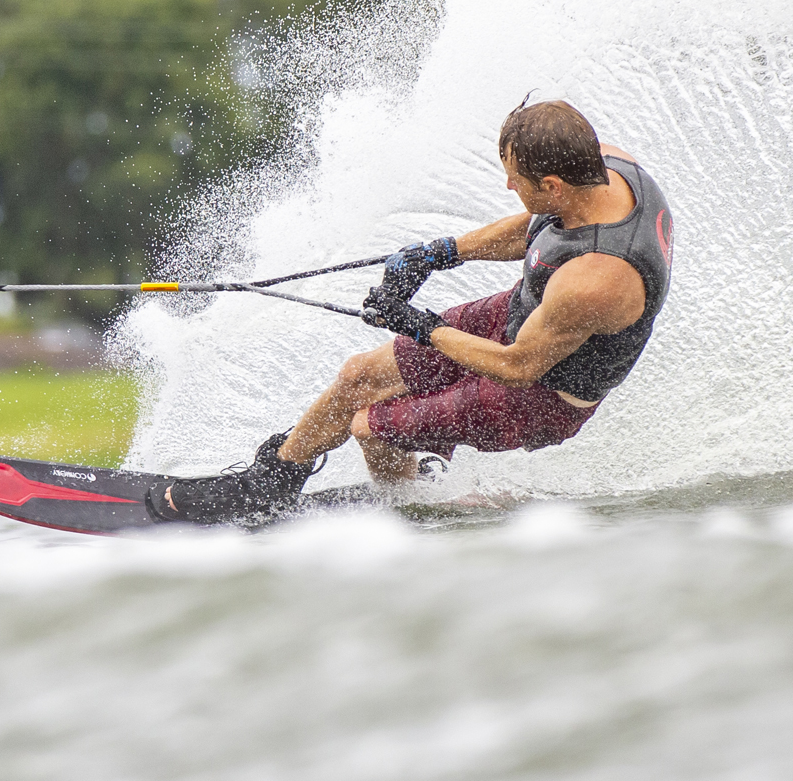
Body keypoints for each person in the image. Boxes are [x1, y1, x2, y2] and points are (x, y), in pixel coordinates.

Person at [146, 98, 674, 523]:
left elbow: (519, 366)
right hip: (527, 318)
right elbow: (539, 224)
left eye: (515, 178)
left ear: (553, 183)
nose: (508, 186)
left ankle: (416, 512)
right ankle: (272, 480)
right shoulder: (594, 167)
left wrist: (422, 326)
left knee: (369, 427)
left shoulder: (600, 278)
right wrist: (440, 253)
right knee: (358, 376)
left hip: (541, 394)